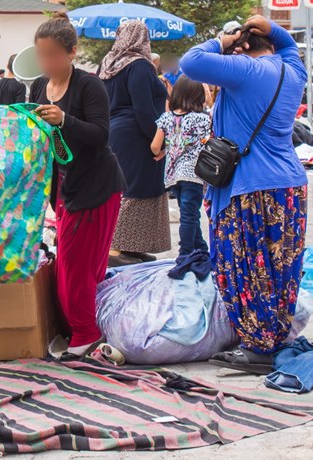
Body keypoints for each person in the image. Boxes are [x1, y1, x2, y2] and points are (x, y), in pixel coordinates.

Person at [181, 16, 308, 372]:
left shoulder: (246, 70)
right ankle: (272, 336)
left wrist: (221, 42)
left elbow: (192, 62)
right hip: (290, 186)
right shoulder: (293, 72)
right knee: (280, 268)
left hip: (250, 188)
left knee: (244, 267)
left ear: (243, 48)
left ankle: (257, 345)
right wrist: (270, 28)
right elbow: (286, 45)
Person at [30, 13, 126, 360]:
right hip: (65, 188)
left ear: (71, 53)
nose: (47, 62)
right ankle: (81, 325)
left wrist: (65, 119)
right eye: (42, 55)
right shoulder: (39, 87)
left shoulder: (89, 85)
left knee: (77, 265)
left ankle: (85, 333)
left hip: (98, 186)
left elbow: (101, 136)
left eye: (54, 55)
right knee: (73, 263)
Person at [100, 20, 171, 266]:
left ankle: (130, 246)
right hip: (137, 135)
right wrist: (159, 140)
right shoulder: (139, 66)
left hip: (115, 133)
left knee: (126, 187)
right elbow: (143, 109)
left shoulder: (108, 64)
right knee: (137, 188)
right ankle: (119, 248)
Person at [151, 76, 210, 259]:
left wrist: (168, 149)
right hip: (193, 174)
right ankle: (184, 254)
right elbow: (208, 141)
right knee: (190, 216)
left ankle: (200, 249)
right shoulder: (202, 119)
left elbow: (154, 146)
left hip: (172, 174)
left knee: (188, 213)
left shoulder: (166, 118)